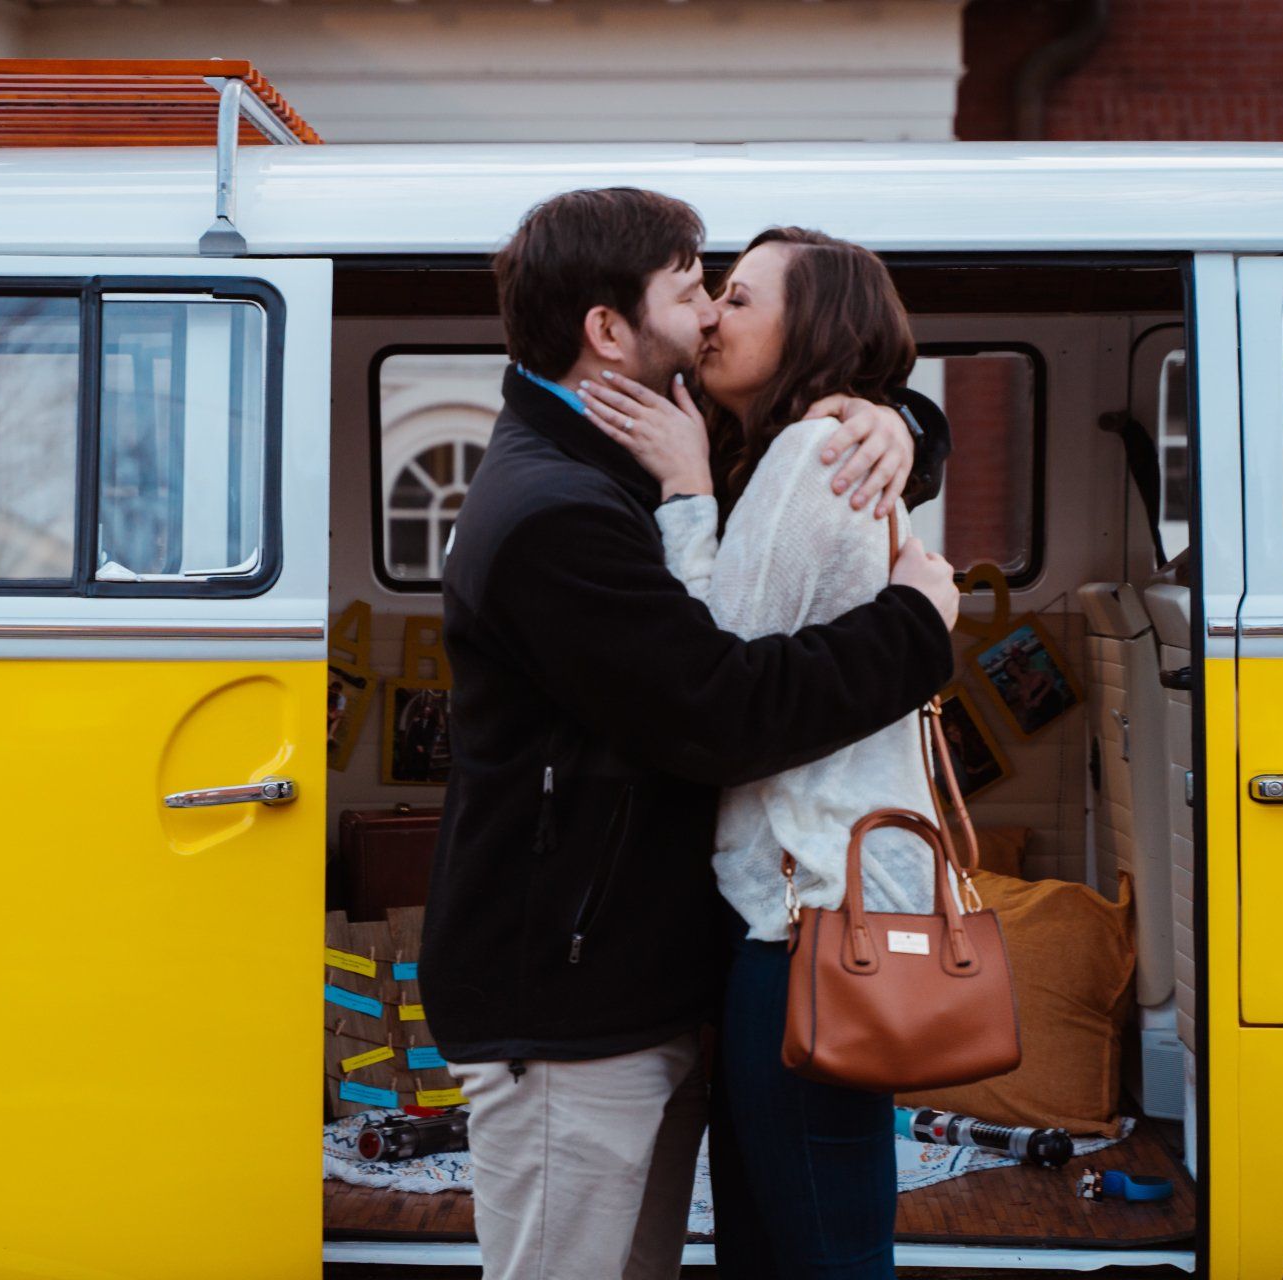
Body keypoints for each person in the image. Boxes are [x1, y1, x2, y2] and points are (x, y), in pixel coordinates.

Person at [418, 190, 959, 1280]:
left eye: (726, 291)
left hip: (637, 986)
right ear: (609, 332)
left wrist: (902, 419)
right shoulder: (557, 512)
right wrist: (915, 624)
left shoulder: (648, 435)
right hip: (567, 1010)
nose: (710, 311)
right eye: (691, 288)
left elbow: (827, 397)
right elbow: (721, 708)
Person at [576, 226, 951, 1277]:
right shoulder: (813, 446)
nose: (714, 317)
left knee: (814, 1244)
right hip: (810, 911)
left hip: (804, 924)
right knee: (786, 1231)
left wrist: (688, 491)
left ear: (814, 328)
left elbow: (715, 676)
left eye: (742, 298)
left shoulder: (804, 454)